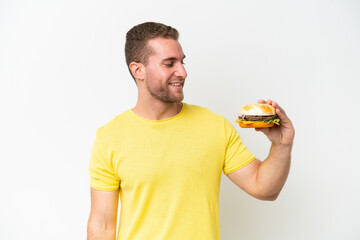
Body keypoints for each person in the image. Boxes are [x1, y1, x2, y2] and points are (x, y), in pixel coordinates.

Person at [87, 22, 295, 240]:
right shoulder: (110, 137)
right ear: (138, 70)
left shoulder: (214, 126)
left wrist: (282, 144)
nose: (183, 72)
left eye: (182, 62)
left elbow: (264, 189)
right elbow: (102, 225)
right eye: (169, 64)